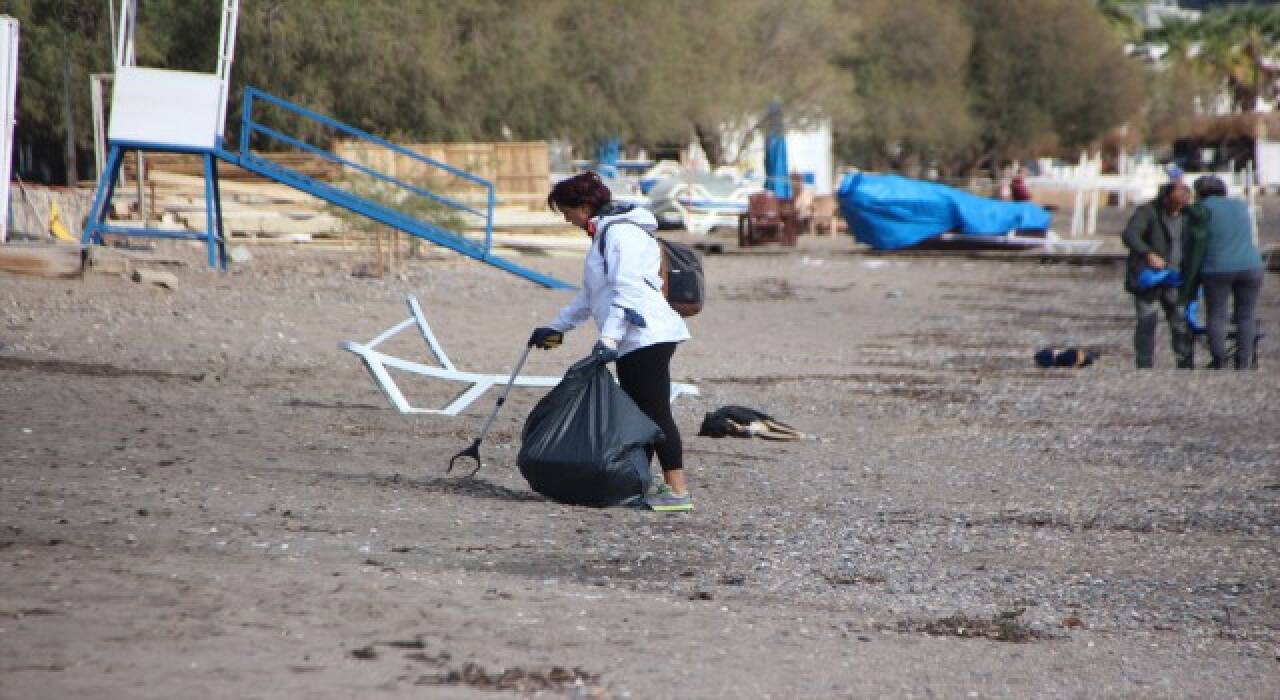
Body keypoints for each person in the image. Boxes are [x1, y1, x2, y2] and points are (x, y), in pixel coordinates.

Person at [528, 172, 694, 512]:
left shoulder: (621, 234)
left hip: (648, 335)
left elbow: (627, 291)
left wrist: (608, 339)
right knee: (637, 414)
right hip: (632, 338)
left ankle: (677, 492)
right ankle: (638, 485)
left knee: (654, 413)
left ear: (586, 205)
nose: (566, 218)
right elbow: (590, 297)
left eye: (567, 211)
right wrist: (555, 327)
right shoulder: (603, 235)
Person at [1189, 175, 1265, 369]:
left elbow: (1196, 239)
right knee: (1246, 315)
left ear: (1200, 193)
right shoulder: (1240, 206)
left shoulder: (1202, 208)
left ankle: (1220, 360)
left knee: (1216, 315)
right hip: (1251, 264)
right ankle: (1244, 361)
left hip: (1217, 267)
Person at [1121, 181, 1196, 369]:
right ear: (1165, 198)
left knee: (1180, 320)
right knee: (1147, 321)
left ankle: (1185, 361)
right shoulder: (1147, 212)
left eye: (1182, 204)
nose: (1177, 208)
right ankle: (1144, 363)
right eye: (1174, 203)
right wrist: (1147, 253)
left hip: (1176, 277)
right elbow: (1130, 235)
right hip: (1149, 277)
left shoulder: (1189, 215)